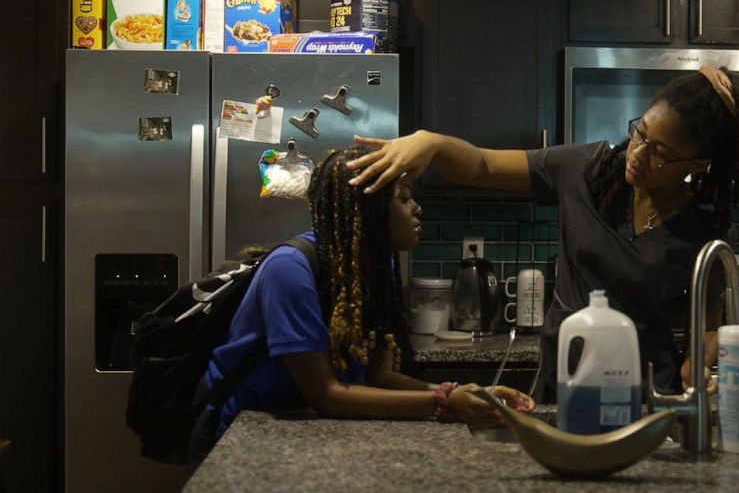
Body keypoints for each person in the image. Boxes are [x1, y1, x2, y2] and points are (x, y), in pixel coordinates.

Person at [345, 66, 739, 399]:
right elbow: (482, 166)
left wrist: (696, 364)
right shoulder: (585, 169)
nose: (637, 154)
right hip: (563, 389)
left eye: (660, 153)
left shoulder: (704, 227)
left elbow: (707, 325)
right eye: (640, 132)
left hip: (648, 399)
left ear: (697, 164)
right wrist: (430, 142)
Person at [188, 146, 535, 470]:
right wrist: (444, 404)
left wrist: (467, 394)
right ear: (365, 212)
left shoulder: (376, 268)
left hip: (308, 428)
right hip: (243, 434)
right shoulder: (290, 269)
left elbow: (378, 377)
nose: (418, 208)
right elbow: (326, 394)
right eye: (404, 199)